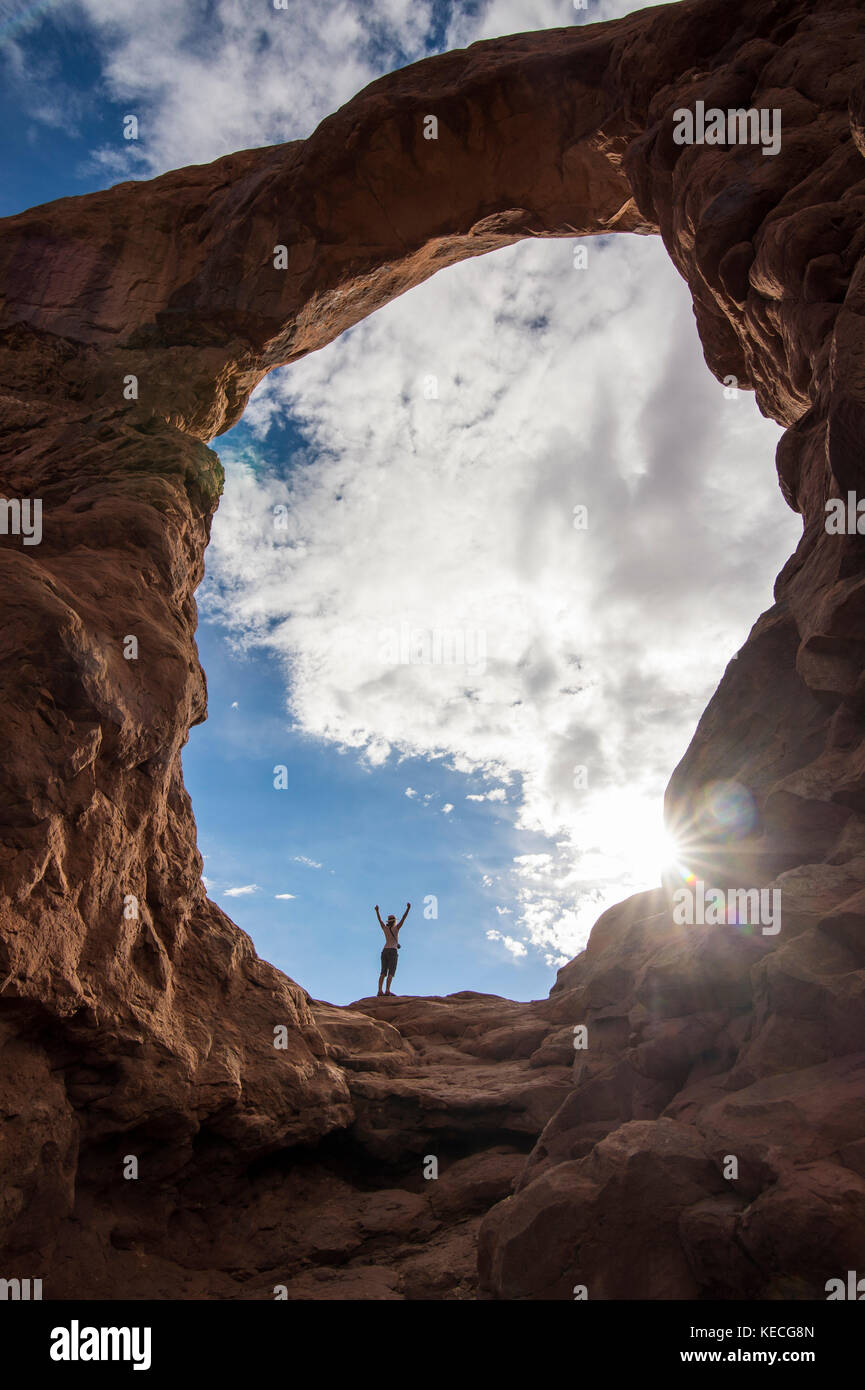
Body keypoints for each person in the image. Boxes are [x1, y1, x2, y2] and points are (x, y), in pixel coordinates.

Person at [375, 901, 410, 996]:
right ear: (394, 921)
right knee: (391, 972)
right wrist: (408, 908)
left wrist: (377, 911)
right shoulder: (396, 928)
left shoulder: (385, 929)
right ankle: (387, 991)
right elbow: (403, 918)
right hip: (393, 951)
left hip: (385, 950)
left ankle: (379, 991)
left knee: (383, 972)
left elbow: (380, 920)